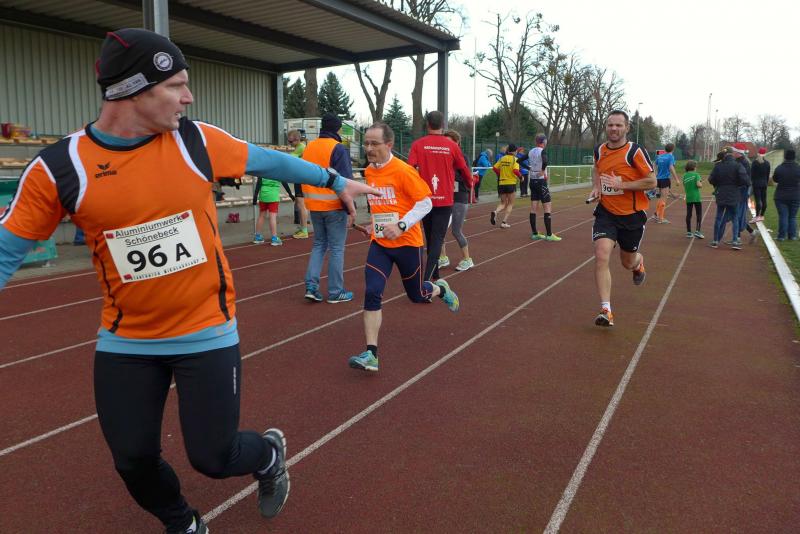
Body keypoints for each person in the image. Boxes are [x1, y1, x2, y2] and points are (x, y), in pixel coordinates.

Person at [0, 29, 379, 534]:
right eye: (176, 85)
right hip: (126, 339)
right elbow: (5, 252)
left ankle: (268, 455)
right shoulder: (59, 167)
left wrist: (335, 180)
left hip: (206, 330)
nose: (188, 96)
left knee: (214, 457)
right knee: (132, 459)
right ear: (132, 91)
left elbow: (269, 160)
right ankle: (184, 524)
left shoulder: (195, 141)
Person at [348, 122, 460, 372]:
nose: (369, 148)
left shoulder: (404, 171)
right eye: (366, 143)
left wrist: (401, 225)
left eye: (374, 143)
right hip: (380, 244)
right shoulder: (369, 171)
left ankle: (440, 289)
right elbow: (382, 205)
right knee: (372, 291)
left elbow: (425, 204)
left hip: (408, 244)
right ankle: (371, 354)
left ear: (389, 145)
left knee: (417, 295)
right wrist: (373, 225)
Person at [589, 110, 655, 327]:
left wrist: (622, 185)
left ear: (627, 128)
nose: (614, 129)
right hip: (606, 213)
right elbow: (596, 169)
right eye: (610, 125)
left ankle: (638, 263)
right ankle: (606, 310)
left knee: (627, 262)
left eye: (618, 125)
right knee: (601, 255)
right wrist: (597, 187)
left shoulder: (634, 151)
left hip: (632, 216)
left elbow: (652, 181)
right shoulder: (599, 150)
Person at [407, 110, 472, 281]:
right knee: (437, 238)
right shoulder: (452, 146)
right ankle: (427, 279)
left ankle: (433, 275)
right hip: (445, 201)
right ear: (442, 125)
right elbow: (464, 169)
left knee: (430, 238)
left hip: (425, 199)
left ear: (427, 124)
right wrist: (470, 183)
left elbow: (409, 169)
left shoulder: (418, 145)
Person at [301, 113, 354, 303]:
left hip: (314, 204)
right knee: (337, 248)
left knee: (319, 245)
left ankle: (311, 286)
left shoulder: (309, 147)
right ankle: (335, 291)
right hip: (334, 205)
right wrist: (350, 209)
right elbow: (345, 181)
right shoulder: (337, 148)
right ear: (338, 128)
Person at [438, 129, 475, 271]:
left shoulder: (462, 157)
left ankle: (467, 259)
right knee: (439, 230)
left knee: (456, 231)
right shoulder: (442, 157)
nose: (446, 144)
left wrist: (449, 176)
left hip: (459, 197)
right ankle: (443, 257)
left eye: (449, 142)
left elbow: (465, 176)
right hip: (445, 197)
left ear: (457, 142)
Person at [708, 148, 748, 249]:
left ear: (724, 154)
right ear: (732, 154)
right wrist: (738, 184)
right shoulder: (738, 165)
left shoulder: (718, 166)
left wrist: (718, 184)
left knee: (718, 217)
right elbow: (745, 180)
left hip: (721, 193)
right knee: (735, 218)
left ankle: (715, 240)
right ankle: (735, 241)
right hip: (734, 194)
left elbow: (711, 179)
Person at [527, 133, 561, 241]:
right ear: (544, 142)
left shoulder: (530, 151)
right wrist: (542, 170)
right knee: (547, 207)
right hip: (541, 182)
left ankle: (535, 233)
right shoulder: (542, 151)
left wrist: (529, 168)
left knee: (533, 208)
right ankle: (549, 234)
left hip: (532, 181)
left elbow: (519, 161)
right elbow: (545, 161)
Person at [772, 148, 800, 241]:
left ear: (785, 157)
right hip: (795, 195)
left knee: (783, 216)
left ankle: (781, 236)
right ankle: (792, 236)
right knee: (792, 216)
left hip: (781, 195)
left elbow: (775, 179)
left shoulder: (779, 168)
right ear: (794, 157)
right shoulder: (798, 168)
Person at [491, 144, 522, 228]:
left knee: (503, 203)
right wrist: (521, 177)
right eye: (516, 151)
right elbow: (515, 171)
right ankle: (504, 222)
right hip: (511, 183)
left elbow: (494, 168)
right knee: (510, 204)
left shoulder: (502, 158)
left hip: (502, 183)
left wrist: (500, 174)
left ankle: (496, 212)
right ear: (514, 151)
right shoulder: (515, 159)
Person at [730, 146, 756, 244]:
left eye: (734, 151)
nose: (732, 153)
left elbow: (744, 179)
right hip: (741, 191)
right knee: (737, 214)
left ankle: (738, 237)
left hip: (741, 191)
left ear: (738, 153)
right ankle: (751, 232)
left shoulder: (742, 163)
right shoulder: (741, 162)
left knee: (737, 214)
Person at [287, 129, 310, 239]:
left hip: (301, 179)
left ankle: (304, 230)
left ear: (297, 139)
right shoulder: (299, 147)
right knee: (300, 204)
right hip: (300, 178)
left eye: (290, 141)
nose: (289, 144)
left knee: (301, 204)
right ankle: (302, 228)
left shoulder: (301, 147)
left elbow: (290, 158)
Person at [653, 142, 681, 223]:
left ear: (665, 149)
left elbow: (654, 163)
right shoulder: (671, 156)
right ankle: (660, 218)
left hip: (659, 179)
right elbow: (671, 167)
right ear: (673, 149)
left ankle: (657, 214)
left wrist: (655, 173)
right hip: (665, 179)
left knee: (661, 197)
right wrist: (677, 179)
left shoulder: (660, 156)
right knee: (664, 198)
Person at [253, 175, 283, 246]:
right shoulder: (278, 171)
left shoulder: (263, 170)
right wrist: (290, 194)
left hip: (263, 194)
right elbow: (284, 183)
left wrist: (255, 196)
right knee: (272, 217)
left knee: (261, 215)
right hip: (273, 196)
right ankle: (274, 238)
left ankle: (257, 236)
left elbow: (258, 183)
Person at [682, 160, 704, 238]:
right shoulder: (696, 175)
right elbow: (698, 185)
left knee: (689, 214)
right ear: (694, 167)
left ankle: (688, 232)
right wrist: (701, 184)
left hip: (688, 197)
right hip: (696, 197)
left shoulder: (684, 175)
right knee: (699, 214)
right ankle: (697, 231)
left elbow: (684, 184)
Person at [750, 147, 771, 223]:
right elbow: (768, 175)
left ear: (758, 153)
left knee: (758, 200)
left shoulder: (755, 163)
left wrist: (752, 181)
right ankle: (762, 215)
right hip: (764, 183)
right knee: (763, 200)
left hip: (756, 184)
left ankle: (757, 217)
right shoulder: (767, 163)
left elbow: (752, 174)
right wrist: (766, 182)